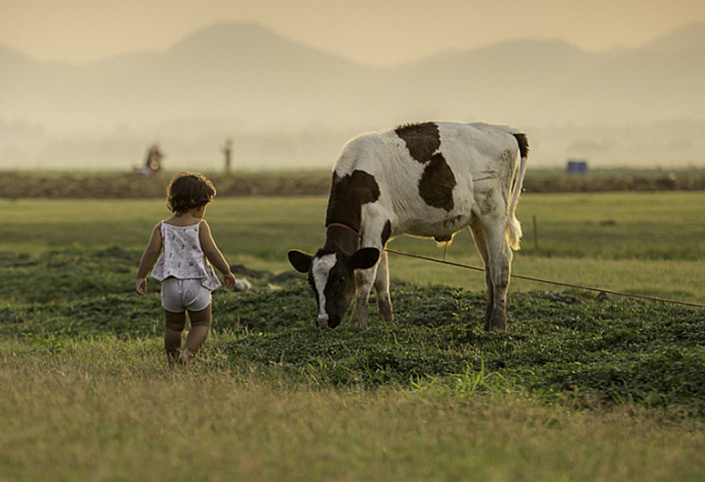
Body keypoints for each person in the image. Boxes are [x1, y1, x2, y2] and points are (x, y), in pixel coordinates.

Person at [136, 172, 236, 366]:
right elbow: (212, 252)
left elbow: (150, 253)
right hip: (196, 284)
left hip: (171, 285)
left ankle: (173, 363)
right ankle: (188, 353)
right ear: (198, 204)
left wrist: (141, 276)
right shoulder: (200, 226)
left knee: (173, 328)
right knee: (201, 324)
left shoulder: (162, 227)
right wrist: (226, 271)